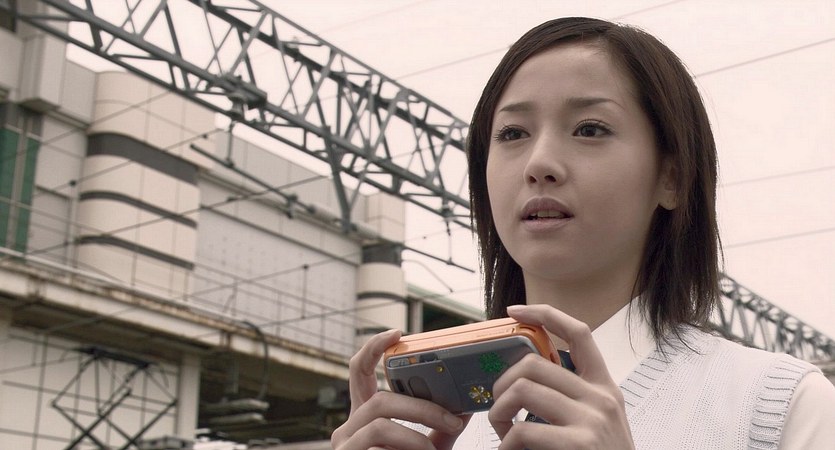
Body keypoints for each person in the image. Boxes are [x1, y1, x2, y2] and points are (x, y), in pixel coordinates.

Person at [330, 17, 835, 449]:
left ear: (673, 178)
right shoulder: (426, 429)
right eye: (512, 133)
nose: (539, 163)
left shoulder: (777, 406)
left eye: (590, 129)